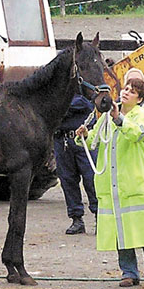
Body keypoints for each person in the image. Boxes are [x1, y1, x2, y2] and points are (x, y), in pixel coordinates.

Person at [76, 76, 144, 287]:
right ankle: (129, 272)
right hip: (112, 185)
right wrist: (83, 135)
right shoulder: (105, 117)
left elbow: (137, 134)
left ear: (140, 98)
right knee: (120, 231)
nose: (126, 93)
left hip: (133, 184)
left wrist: (120, 119)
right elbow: (93, 141)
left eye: (132, 91)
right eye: (125, 89)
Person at [54, 92, 98, 235]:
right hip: (62, 140)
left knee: (91, 179)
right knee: (67, 180)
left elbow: (86, 102)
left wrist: (61, 106)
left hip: (84, 139)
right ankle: (76, 219)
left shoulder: (83, 82)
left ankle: (100, 216)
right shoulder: (57, 82)